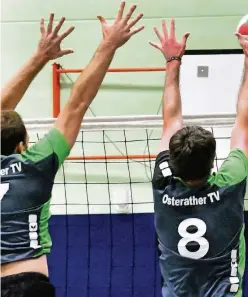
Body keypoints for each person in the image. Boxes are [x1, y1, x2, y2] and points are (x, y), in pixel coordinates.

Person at [1, 2, 144, 296]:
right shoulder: (36, 163)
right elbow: (77, 102)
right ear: (21, 145)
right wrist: (109, 44)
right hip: (28, 282)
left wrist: (38, 57)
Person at [151, 17, 248, 297]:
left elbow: (171, 119)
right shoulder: (230, 181)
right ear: (214, 162)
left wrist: (172, 60)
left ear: (172, 163)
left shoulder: (164, 184)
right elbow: (244, 120)